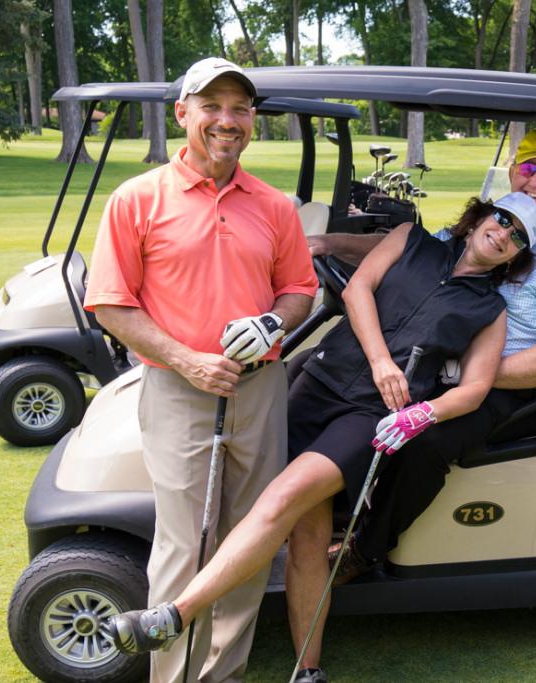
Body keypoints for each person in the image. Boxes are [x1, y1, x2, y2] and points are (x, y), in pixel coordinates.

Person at [103, 192, 536, 683]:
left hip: (370, 417)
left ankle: (173, 616)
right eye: (503, 219)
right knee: (310, 536)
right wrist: (382, 361)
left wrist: (423, 414)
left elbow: (475, 389)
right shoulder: (408, 239)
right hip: (315, 383)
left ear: (518, 256)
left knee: (283, 497)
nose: (504, 234)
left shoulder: (490, 310)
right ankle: (307, 671)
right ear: (481, 215)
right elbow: (357, 291)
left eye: (518, 237)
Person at [83, 57, 317, 683]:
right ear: (182, 113)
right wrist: (186, 360)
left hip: (260, 388)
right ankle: (174, 675)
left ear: (252, 122)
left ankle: (223, 674)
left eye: (239, 108)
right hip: (179, 390)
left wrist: (273, 323)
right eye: (210, 106)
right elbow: (110, 302)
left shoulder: (273, 205)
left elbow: (299, 289)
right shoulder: (138, 198)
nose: (226, 120)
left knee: (248, 540)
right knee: (185, 545)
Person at [309, 128, 536, 581]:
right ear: (511, 172)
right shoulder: (499, 220)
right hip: (440, 364)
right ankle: (321, 512)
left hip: (511, 392)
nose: (535, 181)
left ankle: (365, 548)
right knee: (348, 382)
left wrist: (466, 375)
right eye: (527, 168)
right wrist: (332, 245)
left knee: (424, 439)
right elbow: (418, 252)